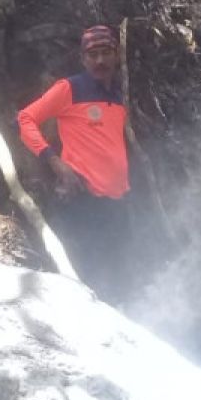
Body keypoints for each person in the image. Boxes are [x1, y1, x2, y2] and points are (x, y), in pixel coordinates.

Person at [17, 25, 132, 301]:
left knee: (114, 279)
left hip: (116, 204)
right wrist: (55, 162)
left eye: (106, 53)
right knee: (81, 278)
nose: (100, 61)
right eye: (93, 55)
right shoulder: (70, 88)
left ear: (117, 56)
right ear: (83, 59)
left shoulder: (119, 96)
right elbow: (25, 119)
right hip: (81, 201)